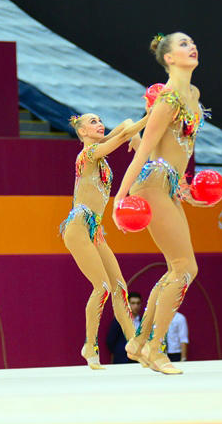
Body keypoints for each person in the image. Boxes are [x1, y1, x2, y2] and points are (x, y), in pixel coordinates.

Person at [114, 32, 210, 375]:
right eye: (183, 44)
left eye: (191, 42)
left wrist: (184, 187)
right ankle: (155, 349)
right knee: (185, 268)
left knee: (178, 267)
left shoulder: (193, 95)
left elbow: (181, 150)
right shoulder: (168, 98)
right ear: (169, 58)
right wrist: (120, 197)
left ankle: (139, 343)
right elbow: (146, 149)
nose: (191, 46)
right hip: (151, 184)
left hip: (169, 185)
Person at [63, 112, 149, 369]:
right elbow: (122, 133)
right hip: (78, 226)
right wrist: (153, 115)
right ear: (82, 133)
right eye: (93, 122)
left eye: (100, 120)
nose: (99, 124)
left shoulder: (99, 149)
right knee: (101, 287)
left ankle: (134, 345)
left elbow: (122, 127)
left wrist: (134, 133)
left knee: (119, 287)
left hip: (95, 230)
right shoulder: (87, 155)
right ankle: (90, 345)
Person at [105, 290, 143, 364]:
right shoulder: (120, 320)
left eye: (138, 303)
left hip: (139, 359)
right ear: (128, 304)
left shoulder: (143, 321)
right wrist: (119, 351)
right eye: (133, 303)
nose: (136, 306)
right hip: (123, 359)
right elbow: (110, 340)